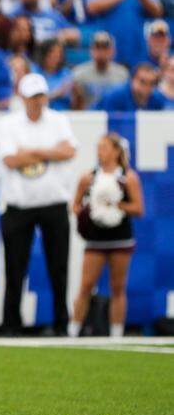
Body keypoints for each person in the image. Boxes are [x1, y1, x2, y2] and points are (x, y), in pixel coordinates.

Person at [0, 73, 78, 336]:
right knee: (15, 268)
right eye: (32, 97)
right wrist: (50, 151)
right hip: (18, 205)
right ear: (22, 97)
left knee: (59, 266)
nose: (37, 101)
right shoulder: (8, 123)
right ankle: (11, 324)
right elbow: (10, 160)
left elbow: (69, 151)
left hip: (54, 202)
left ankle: (61, 323)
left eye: (40, 96)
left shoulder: (59, 120)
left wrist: (31, 151)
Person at [68, 134, 142, 338]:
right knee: (86, 286)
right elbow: (75, 205)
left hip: (120, 238)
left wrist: (115, 205)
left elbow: (138, 208)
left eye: (105, 147)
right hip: (96, 239)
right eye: (99, 147)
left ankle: (116, 333)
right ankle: (73, 331)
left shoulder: (128, 178)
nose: (100, 152)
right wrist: (89, 212)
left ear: (117, 151)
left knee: (117, 287)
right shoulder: (89, 177)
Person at [73, 31, 130, 109]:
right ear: (91, 50)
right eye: (97, 47)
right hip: (88, 115)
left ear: (113, 51)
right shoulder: (78, 74)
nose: (101, 52)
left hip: (113, 115)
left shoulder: (123, 74)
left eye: (105, 48)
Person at [98, 62, 163, 111]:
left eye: (152, 83)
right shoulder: (114, 96)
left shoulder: (157, 99)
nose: (147, 86)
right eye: (142, 82)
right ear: (132, 80)